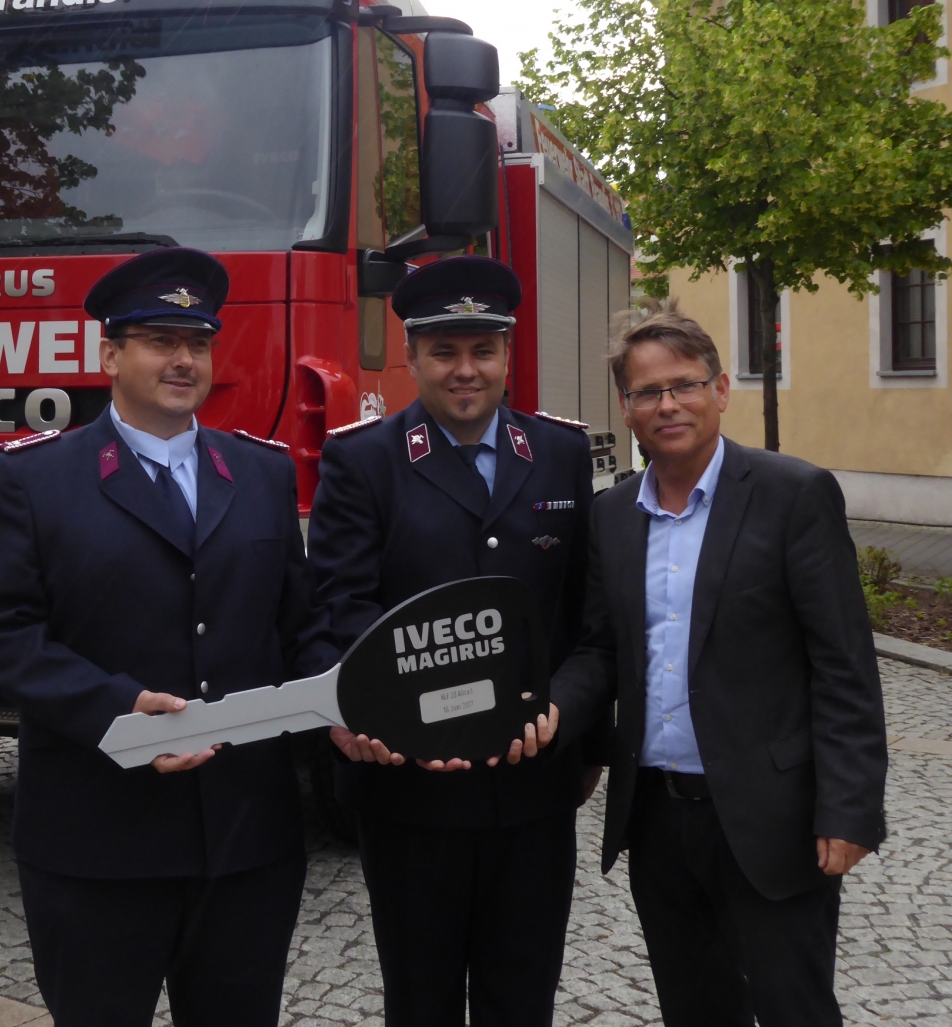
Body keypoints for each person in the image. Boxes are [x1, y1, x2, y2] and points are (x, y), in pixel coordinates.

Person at [0, 247, 337, 1027]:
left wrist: (349, 694)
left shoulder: (260, 474)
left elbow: (299, 625)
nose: (183, 360)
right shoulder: (34, 479)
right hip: (97, 843)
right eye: (161, 341)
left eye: (197, 343)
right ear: (110, 354)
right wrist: (116, 708)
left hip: (245, 843)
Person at [534, 312, 887, 1027]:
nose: (668, 405)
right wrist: (553, 713)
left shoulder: (793, 495)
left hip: (771, 817)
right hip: (657, 817)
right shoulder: (612, 515)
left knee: (794, 1008)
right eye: (647, 392)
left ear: (721, 390)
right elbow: (601, 649)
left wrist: (849, 809)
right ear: (626, 408)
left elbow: (843, 665)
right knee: (695, 1009)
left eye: (685, 385)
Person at [306, 255, 603, 1027]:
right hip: (409, 790)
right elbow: (339, 609)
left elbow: (588, 621)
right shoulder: (363, 460)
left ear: (507, 356)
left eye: (483, 350)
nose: (465, 370)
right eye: (444, 351)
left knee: (523, 1000)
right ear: (412, 358)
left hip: (533, 786)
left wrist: (572, 723)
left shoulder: (562, 454)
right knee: (420, 1001)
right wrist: (371, 715)